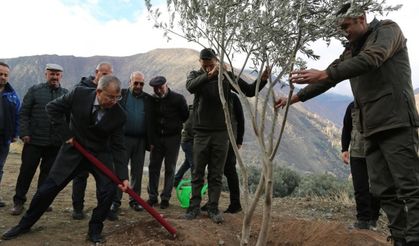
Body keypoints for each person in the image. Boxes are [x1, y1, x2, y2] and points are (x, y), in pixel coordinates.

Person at [275, 3, 419, 245]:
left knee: (409, 186)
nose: (344, 32)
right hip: (369, 127)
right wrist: (295, 98)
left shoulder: (388, 31)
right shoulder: (351, 51)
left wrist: (325, 74)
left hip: (396, 122)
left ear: (361, 18)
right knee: (383, 190)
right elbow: (329, 77)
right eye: (340, 29)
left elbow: (372, 59)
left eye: (346, 26)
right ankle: (400, 237)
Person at [1, 75, 129, 243]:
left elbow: (119, 146)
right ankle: (24, 225)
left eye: (117, 97)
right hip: (74, 150)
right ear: (99, 91)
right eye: (110, 96)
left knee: (109, 191)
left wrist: (123, 176)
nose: (114, 101)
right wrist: (65, 134)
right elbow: (52, 108)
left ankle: (94, 230)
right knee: (47, 189)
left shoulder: (119, 115)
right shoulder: (79, 94)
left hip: (99, 154)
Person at [184, 48, 270, 223]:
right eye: (205, 65)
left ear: (216, 60)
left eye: (211, 64)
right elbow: (190, 87)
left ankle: (213, 209)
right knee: (197, 172)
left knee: (216, 173)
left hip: (221, 133)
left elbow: (248, 91)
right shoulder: (195, 75)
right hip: (201, 131)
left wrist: (262, 80)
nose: (208, 68)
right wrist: (209, 75)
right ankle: (194, 208)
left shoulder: (226, 77)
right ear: (200, 62)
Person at [11, 64, 68, 216]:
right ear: (46, 74)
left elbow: (69, 118)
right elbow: (24, 113)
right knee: (26, 172)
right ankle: (18, 202)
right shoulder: (34, 91)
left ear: (61, 76)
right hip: (33, 141)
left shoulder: (66, 94)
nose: (55, 77)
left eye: (57, 74)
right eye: (52, 74)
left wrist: (65, 137)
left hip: (54, 143)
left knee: (47, 174)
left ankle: (40, 202)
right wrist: (24, 133)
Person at [71, 62, 113, 220]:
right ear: (96, 72)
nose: (106, 77)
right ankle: (77, 208)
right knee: (80, 175)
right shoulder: (81, 89)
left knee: (103, 178)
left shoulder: (110, 92)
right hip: (81, 141)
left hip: (100, 144)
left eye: (109, 74)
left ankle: (104, 209)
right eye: (104, 74)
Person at [107, 71, 151, 220]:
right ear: (130, 82)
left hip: (141, 140)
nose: (138, 86)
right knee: (120, 170)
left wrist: (151, 141)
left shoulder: (147, 99)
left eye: (141, 83)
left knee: (137, 172)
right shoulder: (121, 95)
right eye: (136, 83)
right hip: (122, 139)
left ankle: (135, 200)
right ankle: (115, 201)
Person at [147, 76, 189, 209]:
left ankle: (165, 197)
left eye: (161, 87)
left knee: (170, 168)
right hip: (156, 139)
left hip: (173, 139)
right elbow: (149, 121)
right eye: (155, 88)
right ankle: (152, 197)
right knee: (154, 167)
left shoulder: (178, 99)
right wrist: (151, 140)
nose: (158, 90)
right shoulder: (151, 100)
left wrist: (175, 127)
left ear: (166, 85)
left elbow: (185, 116)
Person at [342, 101, 380, 230]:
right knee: (360, 188)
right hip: (357, 153)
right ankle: (363, 220)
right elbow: (346, 128)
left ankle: (373, 218)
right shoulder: (352, 106)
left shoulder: (379, 103)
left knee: (376, 188)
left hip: (376, 153)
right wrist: (344, 149)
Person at [0, 62, 20, 208]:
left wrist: (15, 133)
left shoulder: (13, 96)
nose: (3, 77)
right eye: (0, 74)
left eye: (5, 75)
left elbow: (18, 115)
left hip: (3, 139)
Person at [173, 104, 194, 188]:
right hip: (188, 142)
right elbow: (189, 127)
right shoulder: (192, 112)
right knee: (194, 164)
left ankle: (175, 181)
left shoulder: (193, 111)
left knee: (187, 164)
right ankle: (195, 186)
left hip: (188, 141)